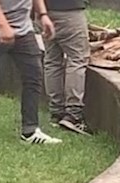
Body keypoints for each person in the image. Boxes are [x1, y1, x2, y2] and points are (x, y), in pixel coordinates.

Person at [0, 0, 62, 144]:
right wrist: (2, 24)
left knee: (33, 75)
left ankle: (30, 131)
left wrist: (43, 14)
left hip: (24, 29)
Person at [43, 0, 91, 135]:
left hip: (44, 11)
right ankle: (73, 115)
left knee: (52, 61)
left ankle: (56, 112)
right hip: (69, 10)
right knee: (77, 59)